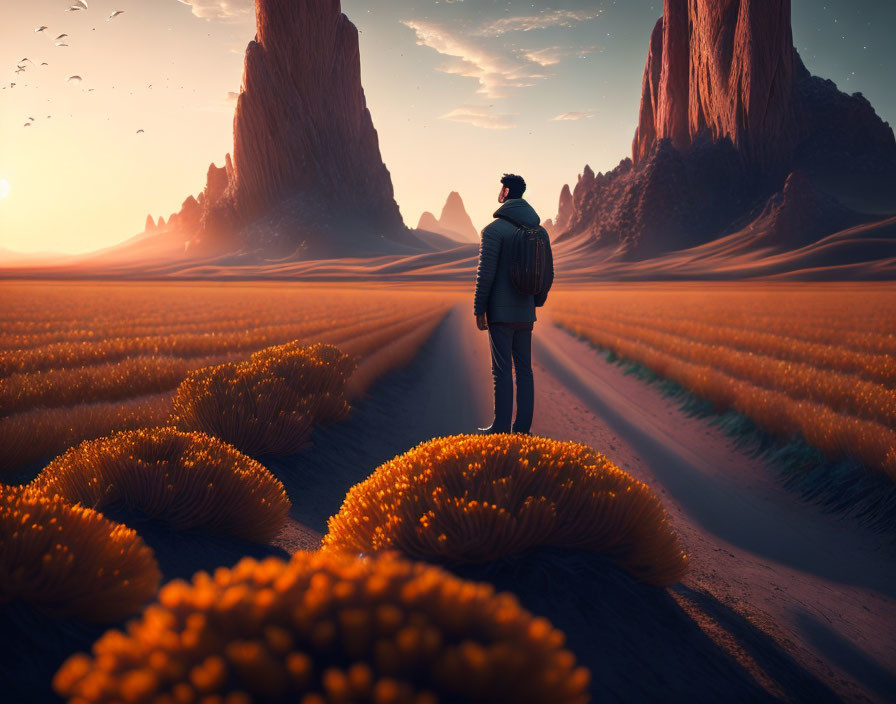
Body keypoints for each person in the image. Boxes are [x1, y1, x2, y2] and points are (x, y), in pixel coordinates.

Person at [473, 173, 553, 435]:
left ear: (506, 192)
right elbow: (548, 273)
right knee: (524, 370)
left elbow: (485, 273)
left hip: (500, 314)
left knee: (502, 371)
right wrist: (534, 302)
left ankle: (500, 428)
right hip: (525, 313)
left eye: (502, 189)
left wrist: (479, 309)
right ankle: (522, 429)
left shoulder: (493, 231)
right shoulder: (539, 232)